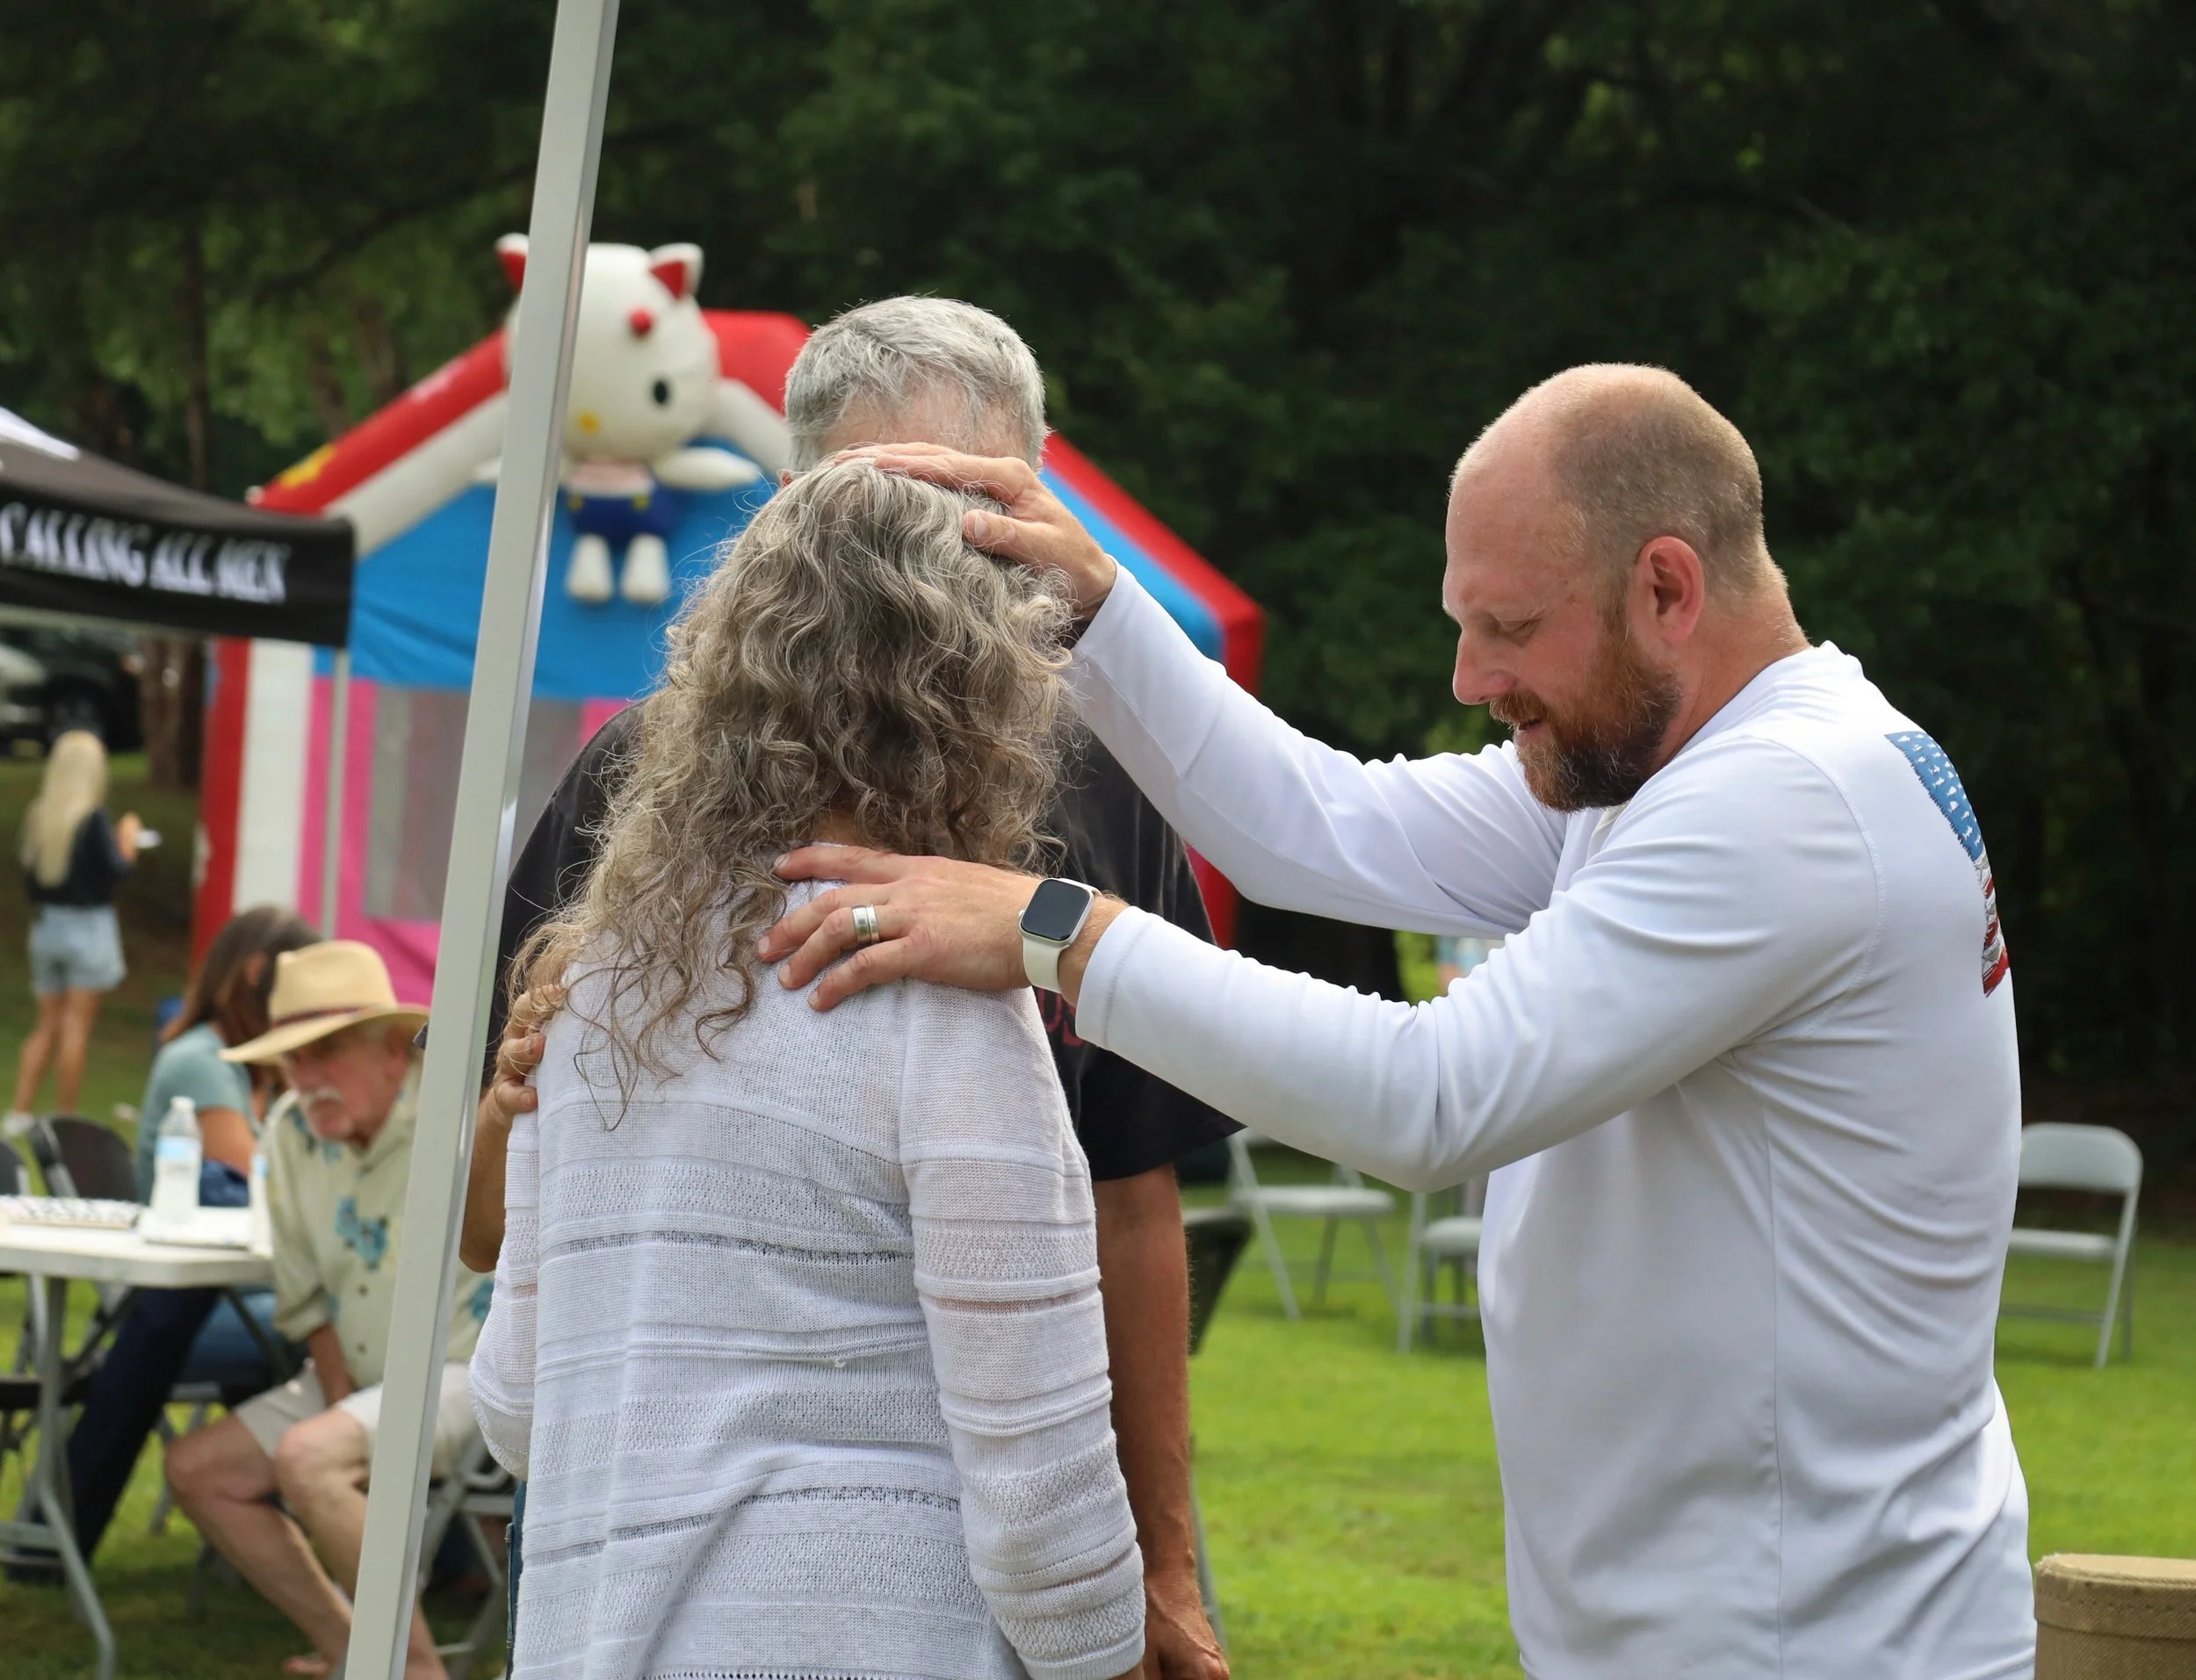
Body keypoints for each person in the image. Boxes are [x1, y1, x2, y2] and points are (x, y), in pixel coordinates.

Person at [758, 367, 2038, 1679]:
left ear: (1667, 588)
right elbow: (1317, 826)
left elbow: (1432, 1099)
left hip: (1811, 1638)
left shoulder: (1785, 803)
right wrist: (1096, 604)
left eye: (1510, 625)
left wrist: (1055, 932)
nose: (1472, 674)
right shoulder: (1682, 768)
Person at [463, 296, 1232, 1677]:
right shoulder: (938, 995)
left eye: (972, 506)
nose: (937, 561)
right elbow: (1044, 1506)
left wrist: (1170, 1560)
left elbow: (518, 1398)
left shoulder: (618, 953)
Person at [166, 940, 492, 1680]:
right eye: (292, 1059)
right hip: (365, 1378)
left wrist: (344, 1425)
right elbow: (308, 1296)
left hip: (469, 1370)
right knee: (196, 1467)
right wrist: (341, 1396)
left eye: (327, 1053)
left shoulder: (460, 1116)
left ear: (390, 1051)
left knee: (309, 1457)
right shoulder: (287, 1130)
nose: (306, 1079)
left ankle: (411, 1670)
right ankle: (353, 1647)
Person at [40, 906, 321, 1568]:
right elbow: (261, 1178)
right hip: (179, 1299)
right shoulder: (202, 1060)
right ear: (258, 974)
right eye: (297, 986)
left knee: (328, 1326)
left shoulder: (246, 1068)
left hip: (209, 1294)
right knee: (320, 1330)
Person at [8, 728, 139, 1127]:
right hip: (88, 928)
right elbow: (117, 870)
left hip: (48, 928)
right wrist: (128, 840)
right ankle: (66, 1116)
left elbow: (32, 880)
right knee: (75, 1026)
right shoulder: (93, 819)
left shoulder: (40, 816)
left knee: (46, 1023)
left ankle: (19, 1112)